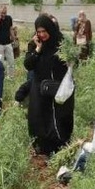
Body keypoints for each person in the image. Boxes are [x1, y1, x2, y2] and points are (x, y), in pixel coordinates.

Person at [23, 15, 75, 156]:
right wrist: (38, 49)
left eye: (44, 31)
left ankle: (60, 145)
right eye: (38, 31)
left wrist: (71, 62)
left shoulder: (61, 43)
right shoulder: (34, 44)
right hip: (40, 87)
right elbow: (28, 65)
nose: (41, 34)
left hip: (59, 87)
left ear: (50, 29)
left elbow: (72, 61)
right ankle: (42, 147)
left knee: (60, 116)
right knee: (39, 116)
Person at [0, 5, 15, 71]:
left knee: (11, 60)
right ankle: (1, 75)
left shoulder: (9, 18)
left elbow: (10, 28)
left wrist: (13, 37)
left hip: (8, 42)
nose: (3, 15)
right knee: (0, 62)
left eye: (5, 13)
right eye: (2, 13)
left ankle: (11, 76)